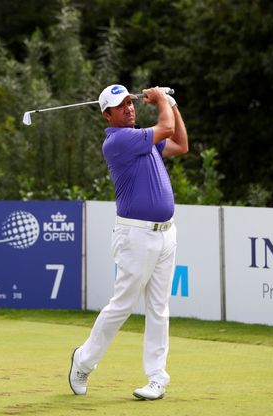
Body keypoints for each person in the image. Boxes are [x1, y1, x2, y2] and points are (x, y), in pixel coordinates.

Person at [69, 85, 188, 400]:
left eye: (130, 103)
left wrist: (171, 104)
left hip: (166, 233)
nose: (129, 108)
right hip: (135, 234)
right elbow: (165, 128)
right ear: (107, 114)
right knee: (122, 305)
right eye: (120, 106)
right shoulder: (119, 141)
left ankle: (156, 378)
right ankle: (83, 361)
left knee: (159, 308)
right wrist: (162, 101)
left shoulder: (143, 141)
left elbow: (180, 143)